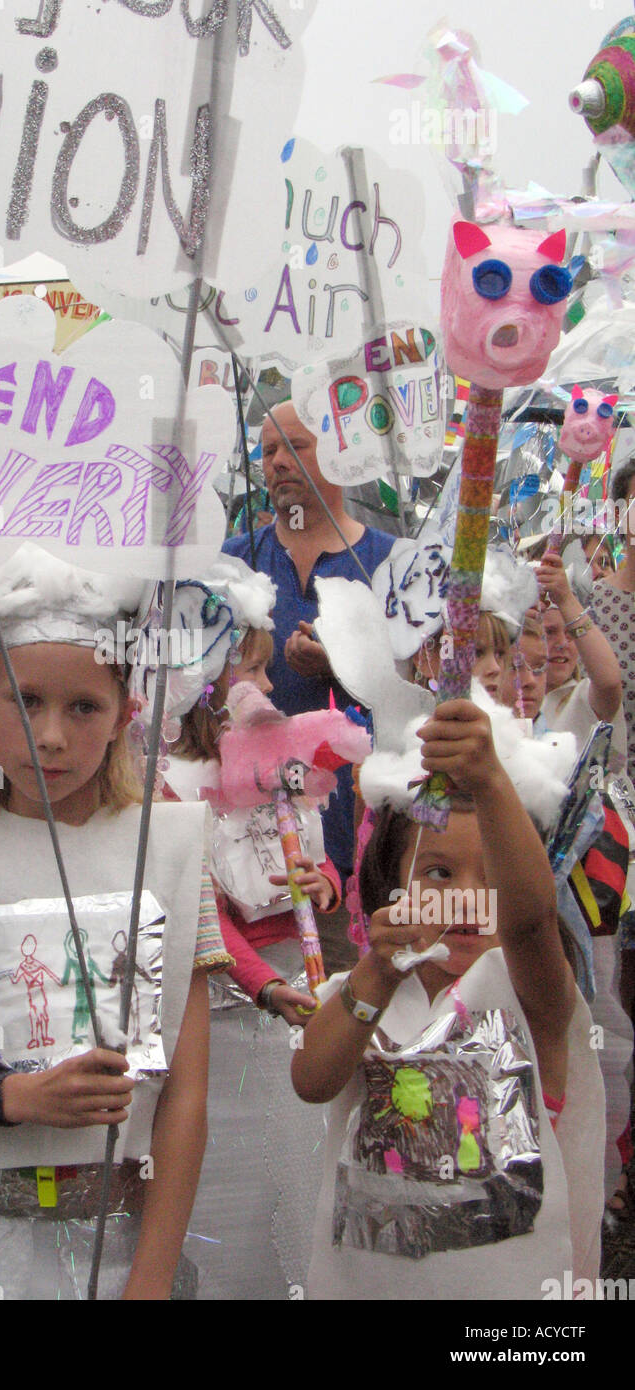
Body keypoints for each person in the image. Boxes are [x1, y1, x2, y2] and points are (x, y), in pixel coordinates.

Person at [0, 546, 228, 1300]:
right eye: (25, 700)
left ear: (127, 712)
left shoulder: (165, 854)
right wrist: (12, 1098)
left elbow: (186, 1099)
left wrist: (151, 1278)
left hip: (114, 1242)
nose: (52, 736)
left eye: (83, 707)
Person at [291, 696, 604, 1298]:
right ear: (392, 880)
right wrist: (375, 979)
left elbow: (532, 923)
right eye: (437, 873)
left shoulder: (530, 995)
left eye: (491, 879)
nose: (464, 897)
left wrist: (489, 779)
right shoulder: (365, 991)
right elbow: (312, 1079)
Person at [139, 556, 342, 1297]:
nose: (254, 685)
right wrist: (262, 984)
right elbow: (201, 914)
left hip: (291, 981)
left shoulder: (276, 755)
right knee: (226, 1178)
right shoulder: (169, 784)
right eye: (238, 668)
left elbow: (310, 850)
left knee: (292, 1160)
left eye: (262, 667)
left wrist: (326, 882)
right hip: (225, 1008)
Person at [223, 401, 393, 895]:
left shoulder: (387, 563)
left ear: (341, 454)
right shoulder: (232, 564)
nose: (275, 462)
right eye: (268, 449)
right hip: (248, 851)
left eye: (294, 446)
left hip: (355, 848)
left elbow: (421, 694)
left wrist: (341, 667)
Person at [536, 548, 625, 770]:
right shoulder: (509, 699)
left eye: (570, 634)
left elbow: (609, 682)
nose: (562, 644)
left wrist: (565, 599)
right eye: (549, 632)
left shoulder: (583, 697)